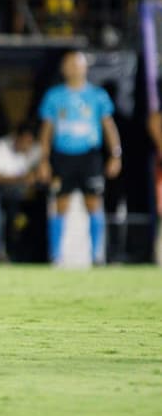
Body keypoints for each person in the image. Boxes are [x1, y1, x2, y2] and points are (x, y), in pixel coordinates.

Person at [37, 51, 122, 265]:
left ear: (85, 68)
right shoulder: (54, 96)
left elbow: (109, 126)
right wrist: (44, 160)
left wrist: (115, 154)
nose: (74, 68)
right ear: (63, 69)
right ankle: (55, 255)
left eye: (78, 64)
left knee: (93, 202)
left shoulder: (97, 95)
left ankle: (97, 256)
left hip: (89, 156)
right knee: (60, 203)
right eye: (69, 64)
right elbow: (46, 131)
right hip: (62, 156)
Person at [0, 123, 41, 261]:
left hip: (28, 199)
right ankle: (6, 253)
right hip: (4, 197)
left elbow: (42, 176)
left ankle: (33, 255)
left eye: (30, 142)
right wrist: (20, 179)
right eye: (25, 141)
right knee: (6, 213)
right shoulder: (1, 146)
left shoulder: (36, 150)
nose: (27, 145)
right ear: (16, 137)